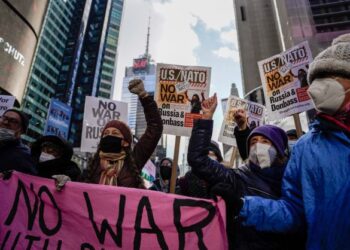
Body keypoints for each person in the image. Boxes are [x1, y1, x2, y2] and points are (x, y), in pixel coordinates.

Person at [238, 33, 350, 250]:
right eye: (317, 79)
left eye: (330, 77)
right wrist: (243, 207)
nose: (318, 88)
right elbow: (294, 212)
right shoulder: (305, 148)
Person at [187, 93, 305, 250]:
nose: (258, 146)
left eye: (265, 141)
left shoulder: (296, 177)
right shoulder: (239, 177)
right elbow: (198, 160)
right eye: (253, 142)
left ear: (278, 149)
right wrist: (206, 118)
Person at [85, 79, 163, 188]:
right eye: (106, 133)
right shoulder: (92, 166)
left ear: (125, 142)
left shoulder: (133, 161)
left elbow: (155, 128)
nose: (109, 136)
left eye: (115, 133)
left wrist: (144, 96)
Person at [0, 109, 36, 175]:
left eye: (13, 121)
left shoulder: (25, 156)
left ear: (21, 130)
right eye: (4, 118)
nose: (6, 122)